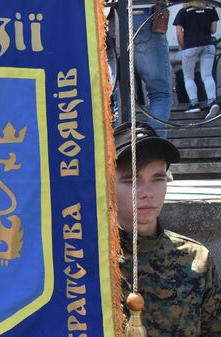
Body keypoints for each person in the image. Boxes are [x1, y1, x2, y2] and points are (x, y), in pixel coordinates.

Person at [114, 121, 221, 336]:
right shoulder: (85, 260)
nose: (147, 192)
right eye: (131, 180)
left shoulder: (196, 260)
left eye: (157, 179)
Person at [107, 4, 173, 138]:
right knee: (159, 93)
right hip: (141, 16)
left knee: (122, 96)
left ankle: (124, 146)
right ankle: (153, 148)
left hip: (109, 20)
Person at [173, 1, 220, 120]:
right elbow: (213, 30)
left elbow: (179, 34)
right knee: (207, 75)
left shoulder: (183, 12)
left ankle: (194, 104)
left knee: (188, 77)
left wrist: (184, 47)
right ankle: (212, 102)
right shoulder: (211, 10)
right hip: (208, 45)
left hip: (190, 46)